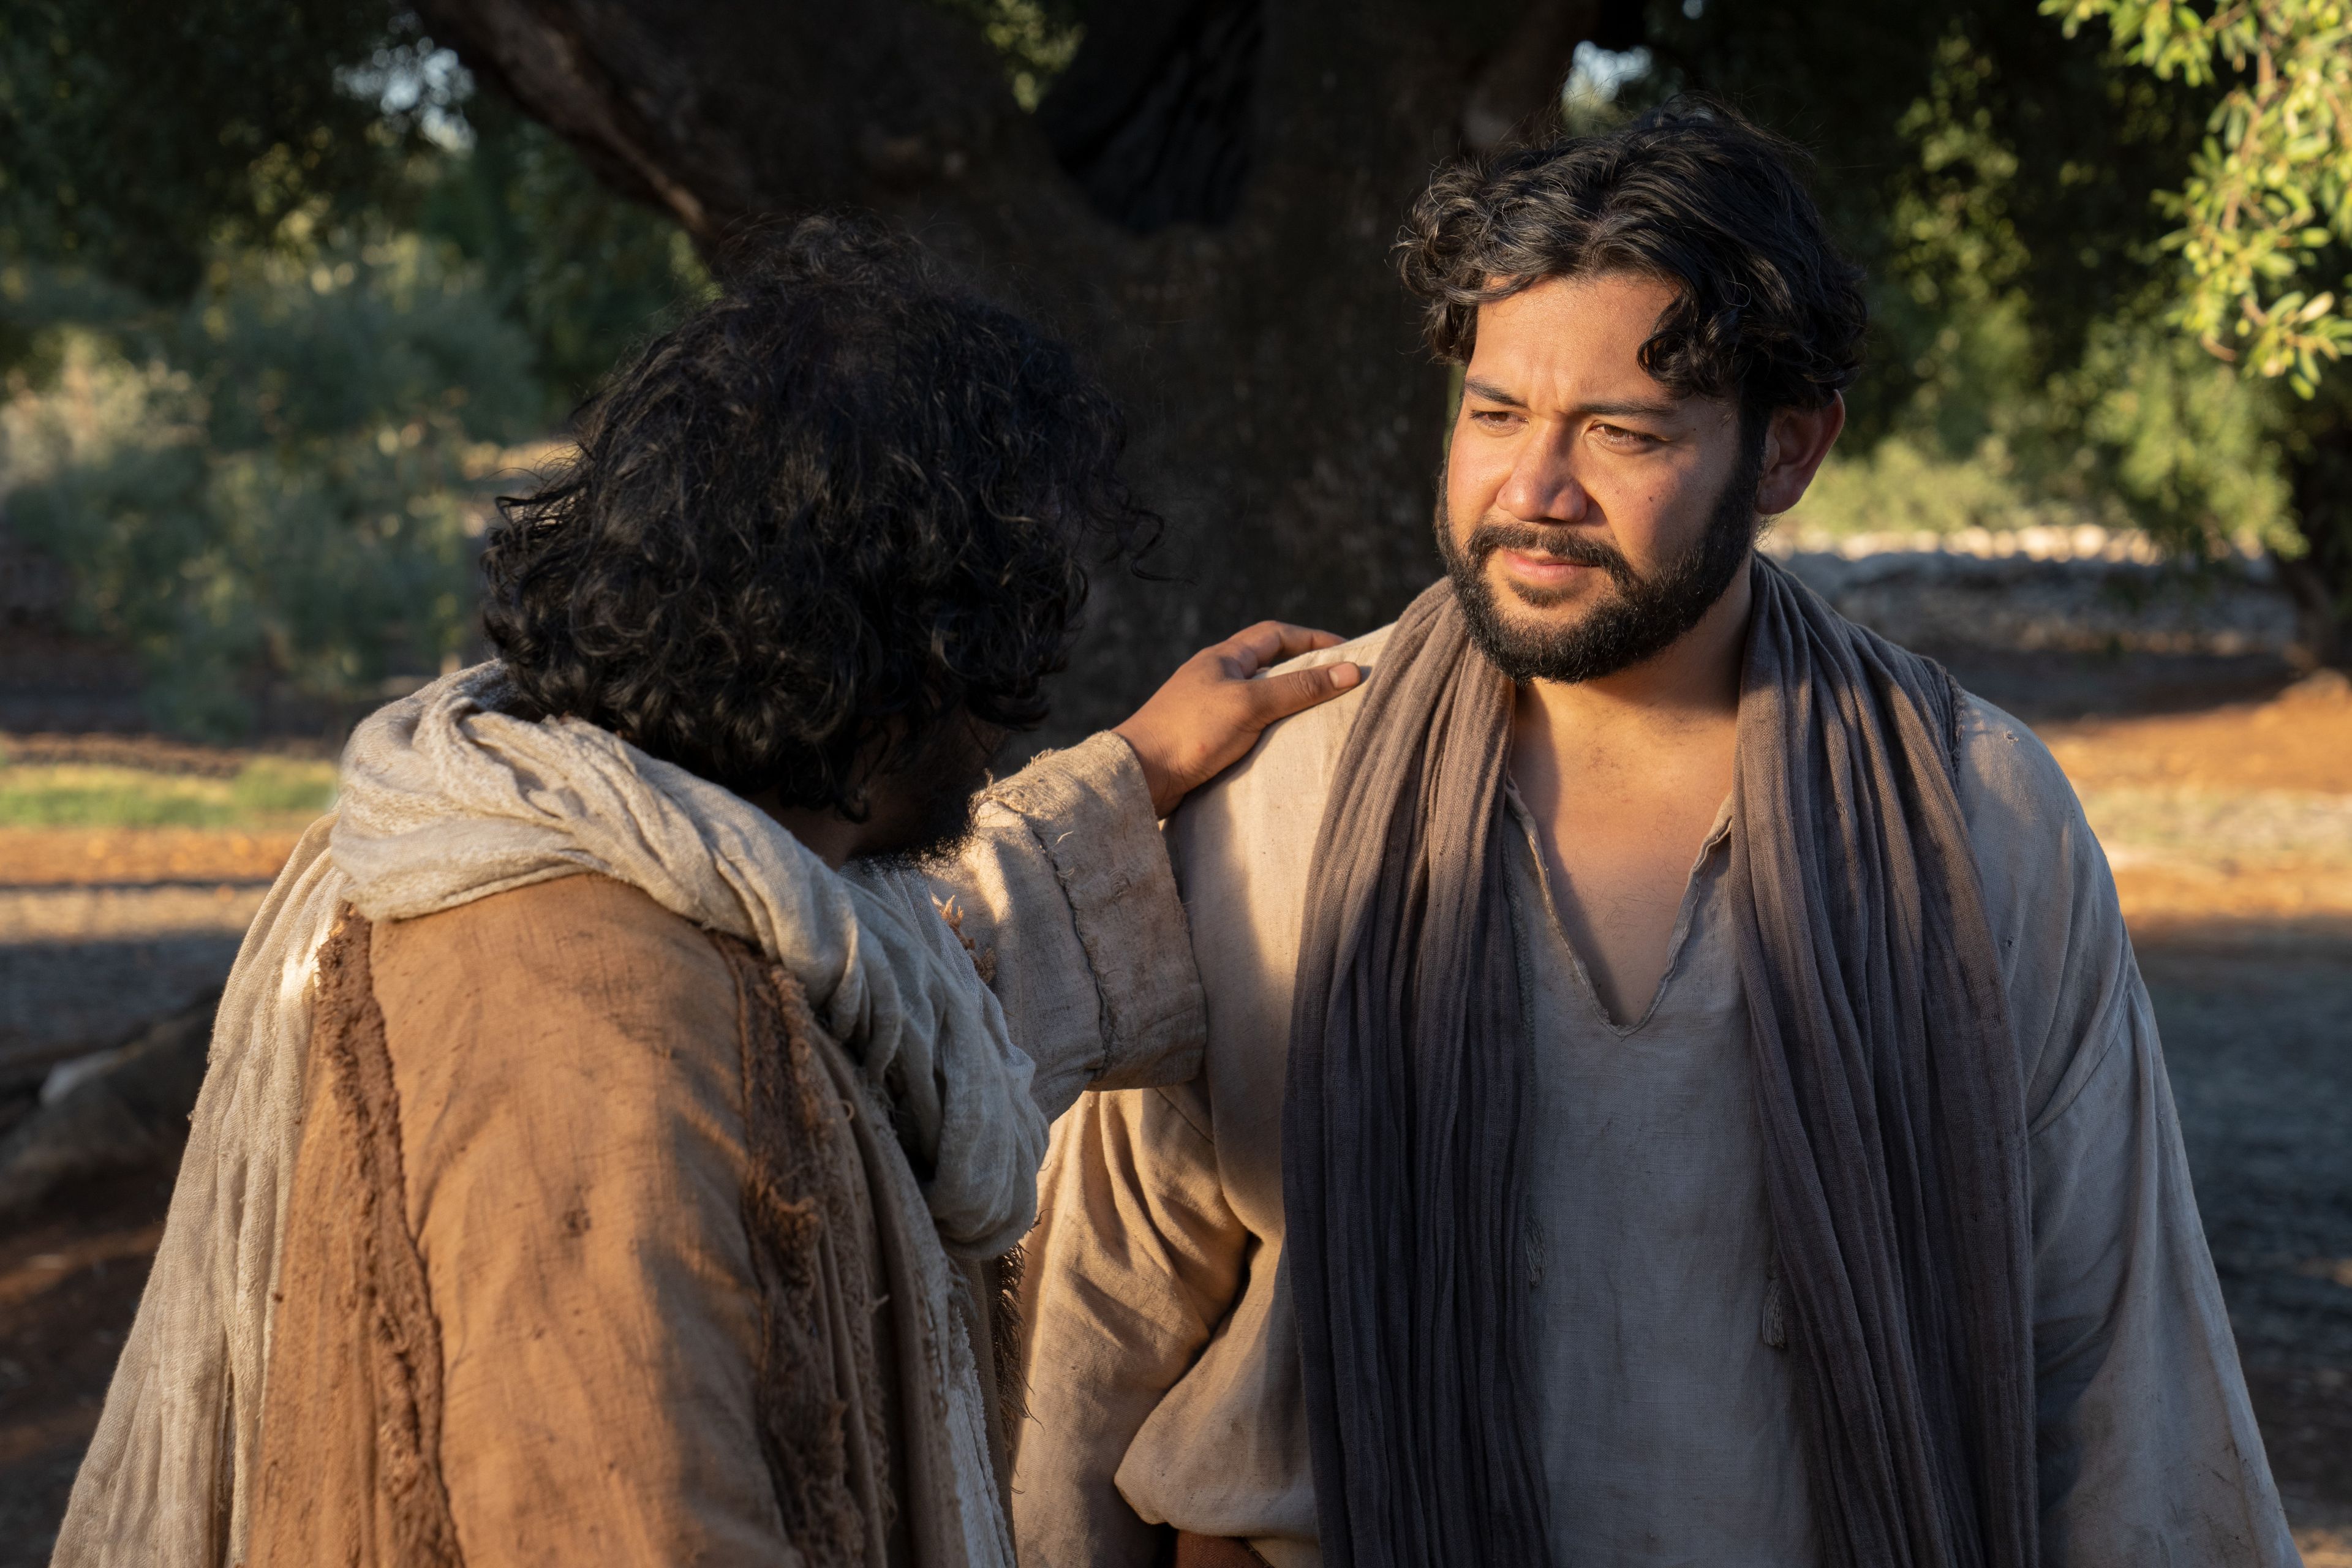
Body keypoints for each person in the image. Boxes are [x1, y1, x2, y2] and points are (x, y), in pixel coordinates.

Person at [1010, 104, 2299, 1568]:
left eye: (1621, 432)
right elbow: (1095, 1338)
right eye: (1495, 415)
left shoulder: (1976, 822)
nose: (1533, 494)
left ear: (1788, 450)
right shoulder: (1278, 802)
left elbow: (2120, 1370)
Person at [51, 219, 1359, 1568]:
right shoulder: (593, 1024)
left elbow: (881, 1004)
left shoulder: (605, 859)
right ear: (916, 670)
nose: (1000, 733)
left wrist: (1133, 771)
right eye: (1002, 676)